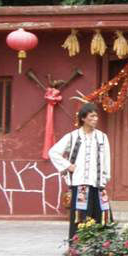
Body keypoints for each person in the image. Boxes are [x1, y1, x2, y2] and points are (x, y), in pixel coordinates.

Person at [48, 102, 112, 241]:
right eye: (92, 116)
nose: (96, 119)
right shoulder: (72, 136)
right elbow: (53, 152)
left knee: (102, 215)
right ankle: (78, 248)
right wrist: (67, 165)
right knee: (80, 216)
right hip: (80, 184)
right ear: (83, 118)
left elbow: (106, 159)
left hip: (98, 184)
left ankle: (102, 248)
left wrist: (105, 178)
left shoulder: (102, 137)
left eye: (96, 116)